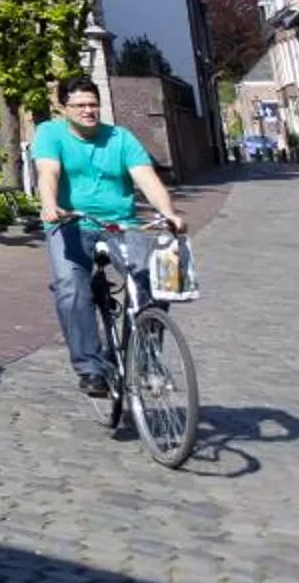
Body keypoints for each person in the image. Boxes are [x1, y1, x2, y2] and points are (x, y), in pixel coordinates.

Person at [33, 73, 186, 396]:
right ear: (64, 108)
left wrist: (168, 212)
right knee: (71, 288)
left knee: (159, 277)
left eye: (93, 105)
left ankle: (145, 354)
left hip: (121, 224)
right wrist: (49, 204)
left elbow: (146, 178)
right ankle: (90, 369)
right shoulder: (49, 134)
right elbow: (49, 172)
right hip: (70, 224)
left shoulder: (121, 138)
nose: (88, 111)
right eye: (80, 106)